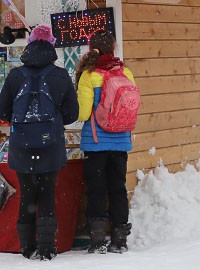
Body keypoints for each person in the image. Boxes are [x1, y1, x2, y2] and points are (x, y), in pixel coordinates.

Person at [0, 24, 79, 261]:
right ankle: (46, 247)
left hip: (22, 146)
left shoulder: (15, 75)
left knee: (27, 194)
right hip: (50, 144)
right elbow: (73, 113)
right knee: (47, 194)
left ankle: (26, 246)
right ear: (51, 45)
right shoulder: (60, 75)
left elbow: (1, 111)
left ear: (29, 45)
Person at [75, 30, 136, 254]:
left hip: (96, 142)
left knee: (97, 190)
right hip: (121, 141)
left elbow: (82, 114)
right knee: (118, 189)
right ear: (114, 47)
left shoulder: (89, 75)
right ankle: (120, 240)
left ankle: (98, 240)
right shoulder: (126, 72)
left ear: (92, 49)